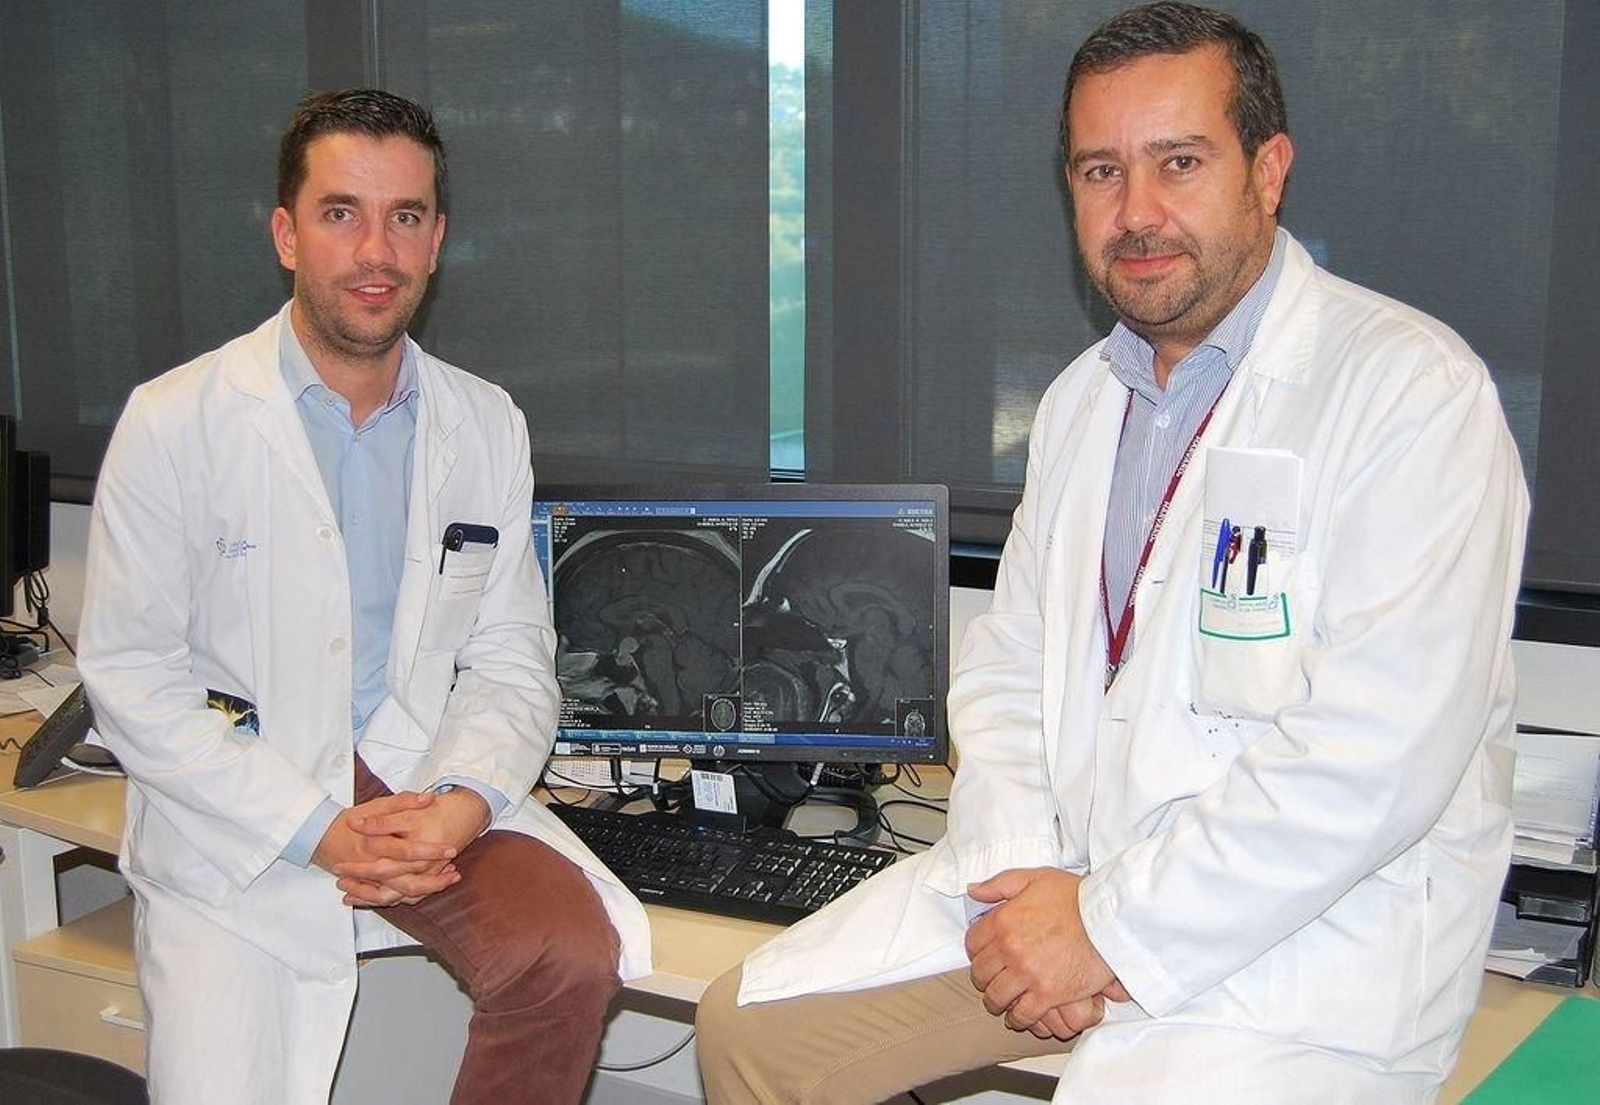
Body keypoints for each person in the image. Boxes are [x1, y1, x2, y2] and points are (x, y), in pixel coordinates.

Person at [695, 3, 1529, 1101]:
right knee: (749, 1028)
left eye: (1178, 162)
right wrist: (1018, 887)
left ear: (1266, 172)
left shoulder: (1410, 395)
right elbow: (1010, 672)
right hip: (1066, 888)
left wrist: (1107, 929)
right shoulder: (1083, 403)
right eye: (1099, 171)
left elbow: (1372, 758)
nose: (1136, 212)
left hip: (1303, 952)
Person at [77, 89, 651, 1104]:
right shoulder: (176, 422)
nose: (375, 251)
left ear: (438, 242)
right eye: (342, 213)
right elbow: (130, 675)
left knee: (565, 952)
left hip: (420, 776)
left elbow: (511, 655)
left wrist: (464, 804)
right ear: (287, 235)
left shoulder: (484, 422)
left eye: (407, 217)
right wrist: (316, 827)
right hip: (242, 802)